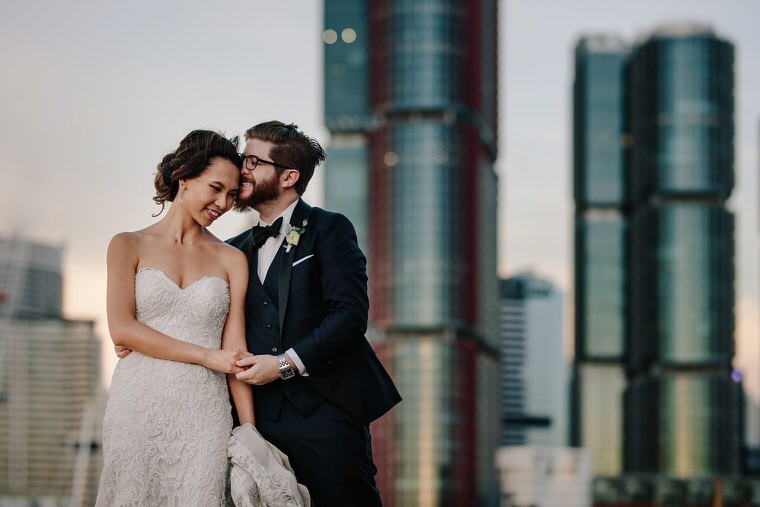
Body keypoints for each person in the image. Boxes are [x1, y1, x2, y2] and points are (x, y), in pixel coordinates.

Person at [227, 120, 402, 507]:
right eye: (244, 159)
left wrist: (283, 365)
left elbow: (350, 316)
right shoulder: (231, 249)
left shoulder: (330, 229)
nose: (243, 169)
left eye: (254, 161)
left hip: (327, 411)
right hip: (256, 420)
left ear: (288, 176)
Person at [96, 130, 254, 506]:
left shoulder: (232, 260)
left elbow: (235, 352)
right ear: (184, 177)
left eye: (232, 195)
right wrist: (207, 356)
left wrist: (249, 430)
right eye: (215, 188)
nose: (223, 203)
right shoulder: (126, 245)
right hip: (137, 405)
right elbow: (122, 328)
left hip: (205, 413)